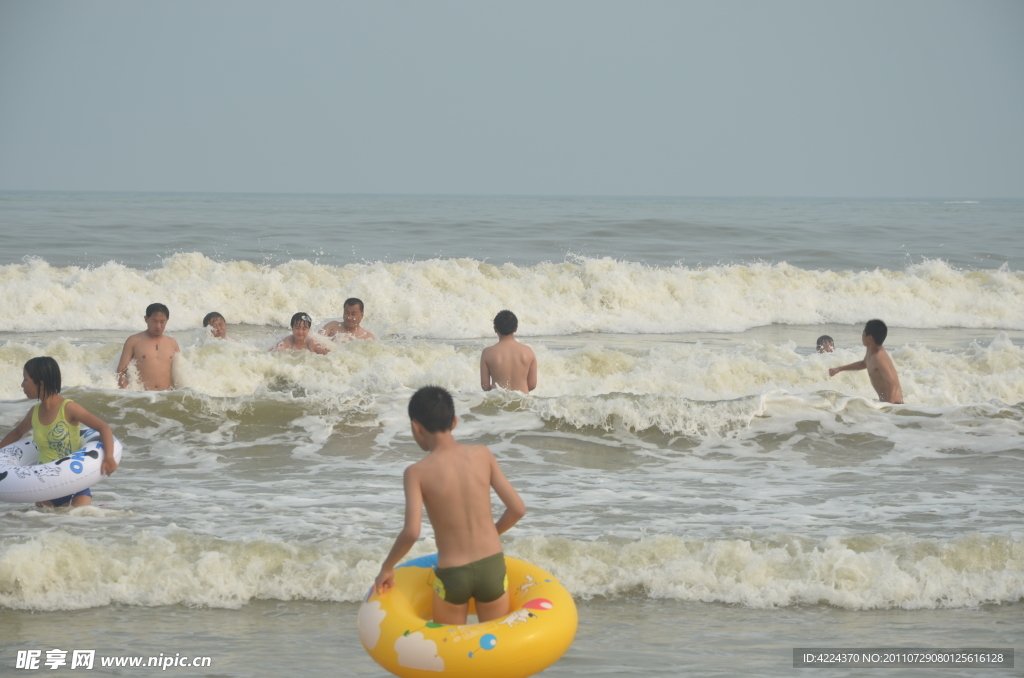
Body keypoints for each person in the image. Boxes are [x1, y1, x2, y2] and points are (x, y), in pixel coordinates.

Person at [374, 386, 526, 624]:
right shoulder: (482, 454)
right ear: (454, 421)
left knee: (450, 651)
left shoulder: (416, 473)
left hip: (454, 574)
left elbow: (412, 532)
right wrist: (490, 532)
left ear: (416, 426)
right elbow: (518, 508)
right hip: (492, 566)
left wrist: (387, 567)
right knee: (494, 650)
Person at [0, 357, 117, 507]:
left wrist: (108, 457)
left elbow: (103, 428)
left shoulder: (68, 408)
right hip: (45, 486)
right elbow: (17, 433)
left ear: (40, 383)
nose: (22, 385)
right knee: (42, 524)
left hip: (74, 484)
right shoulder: (34, 412)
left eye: (25, 379)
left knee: (81, 520)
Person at [828, 319, 903, 403]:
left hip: (894, 404)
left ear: (870, 338)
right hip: (885, 403)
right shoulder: (871, 350)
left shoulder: (879, 356)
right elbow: (864, 363)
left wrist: (889, 410)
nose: (862, 336)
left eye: (863, 333)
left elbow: (893, 384)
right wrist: (839, 369)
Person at [116, 303, 181, 390]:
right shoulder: (134, 340)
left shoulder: (172, 343)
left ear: (167, 320)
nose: (158, 326)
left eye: (162, 322)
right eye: (154, 321)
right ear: (146, 319)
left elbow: (180, 372)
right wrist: (127, 393)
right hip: (143, 397)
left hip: (167, 396)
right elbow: (121, 370)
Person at [480, 310, 537, 393]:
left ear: (495, 329)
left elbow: (485, 386)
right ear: (516, 329)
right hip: (522, 402)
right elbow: (532, 385)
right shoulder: (528, 351)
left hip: (499, 402)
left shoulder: (487, 353)